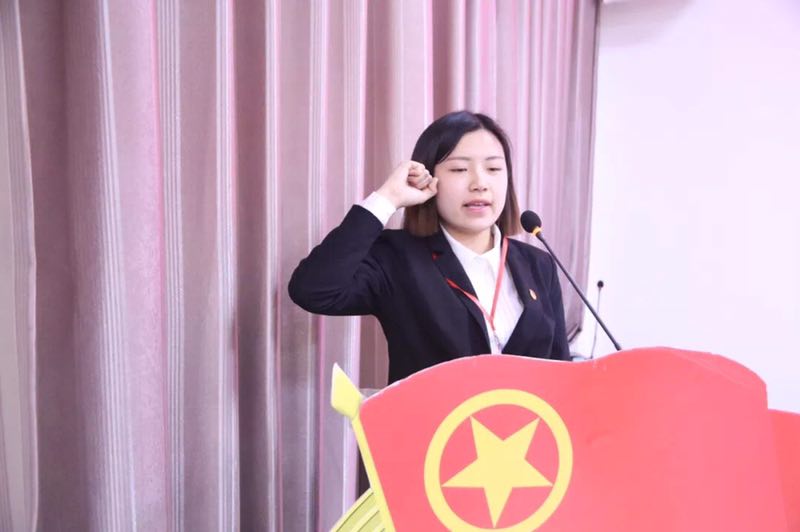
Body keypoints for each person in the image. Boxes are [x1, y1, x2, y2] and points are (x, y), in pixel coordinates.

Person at [289, 110, 570, 383]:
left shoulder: (538, 264)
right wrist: (387, 198)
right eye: (459, 169)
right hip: (432, 418)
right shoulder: (397, 257)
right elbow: (313, 291)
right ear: (428, 178)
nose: (480, 184)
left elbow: (561, 371)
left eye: (494, 169)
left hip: (528, 417)